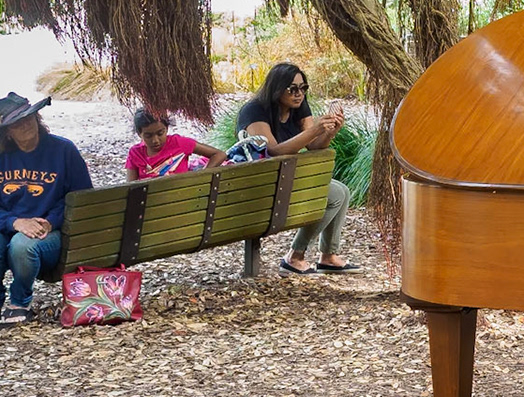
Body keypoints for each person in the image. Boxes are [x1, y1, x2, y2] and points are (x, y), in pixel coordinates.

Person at [0, 89, 92, 328]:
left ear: (38, 117)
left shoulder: (64, 150)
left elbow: (81, 197)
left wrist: (51, 221)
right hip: (6, 227)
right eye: (17, 123)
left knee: (21, 246)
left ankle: (19, 301)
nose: (25, 124)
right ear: (6, 133)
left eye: (29, 117)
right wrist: (15, 222)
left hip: (49, 232)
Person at [234, 62, 357, 275]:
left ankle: (328, 255)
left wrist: (329, 132)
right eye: (292, 89)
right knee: (334, 194)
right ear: (277, 88)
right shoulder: (254, 111)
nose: (299, 94)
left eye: (303, 88)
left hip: (285, 177)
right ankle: (294, 256)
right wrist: (316, 129)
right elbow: (274, 151)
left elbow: (314, 145)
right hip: (260, 183)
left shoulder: (299, 108)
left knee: (343, 191)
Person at [126, 108, 227, 180]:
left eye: (160, 133)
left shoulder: (179, 143)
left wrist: (201, 177)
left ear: (167, 129)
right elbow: (130, 187)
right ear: (140, 134)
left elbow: (219, 155)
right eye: (148, 136)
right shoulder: (135, 153)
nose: (155, 140)